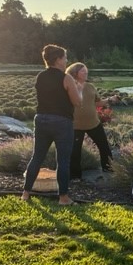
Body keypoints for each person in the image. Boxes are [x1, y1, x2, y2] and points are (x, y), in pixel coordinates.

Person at [21, 45, 83, 205]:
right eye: (65, 58)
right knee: (63, 161)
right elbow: (77, 102)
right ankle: (63, 198)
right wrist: (79, 89)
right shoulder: (66, 78)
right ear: (58, 60)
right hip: (62, 122)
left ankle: (25, 194)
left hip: (41, 119)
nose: (66, 61)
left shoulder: (40, 76)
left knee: (37, 157)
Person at [65, 62, 114, 179]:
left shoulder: (90, 86)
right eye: (83, 70)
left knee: (104, 146)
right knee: (75, 152)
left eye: (86, 70)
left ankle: (109, 169)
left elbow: (97, 102)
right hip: (75, 125)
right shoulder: (69, 86)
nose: (86, 72)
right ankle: (75, 177)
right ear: (75, 73)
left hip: (93, 123)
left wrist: (110, 99)